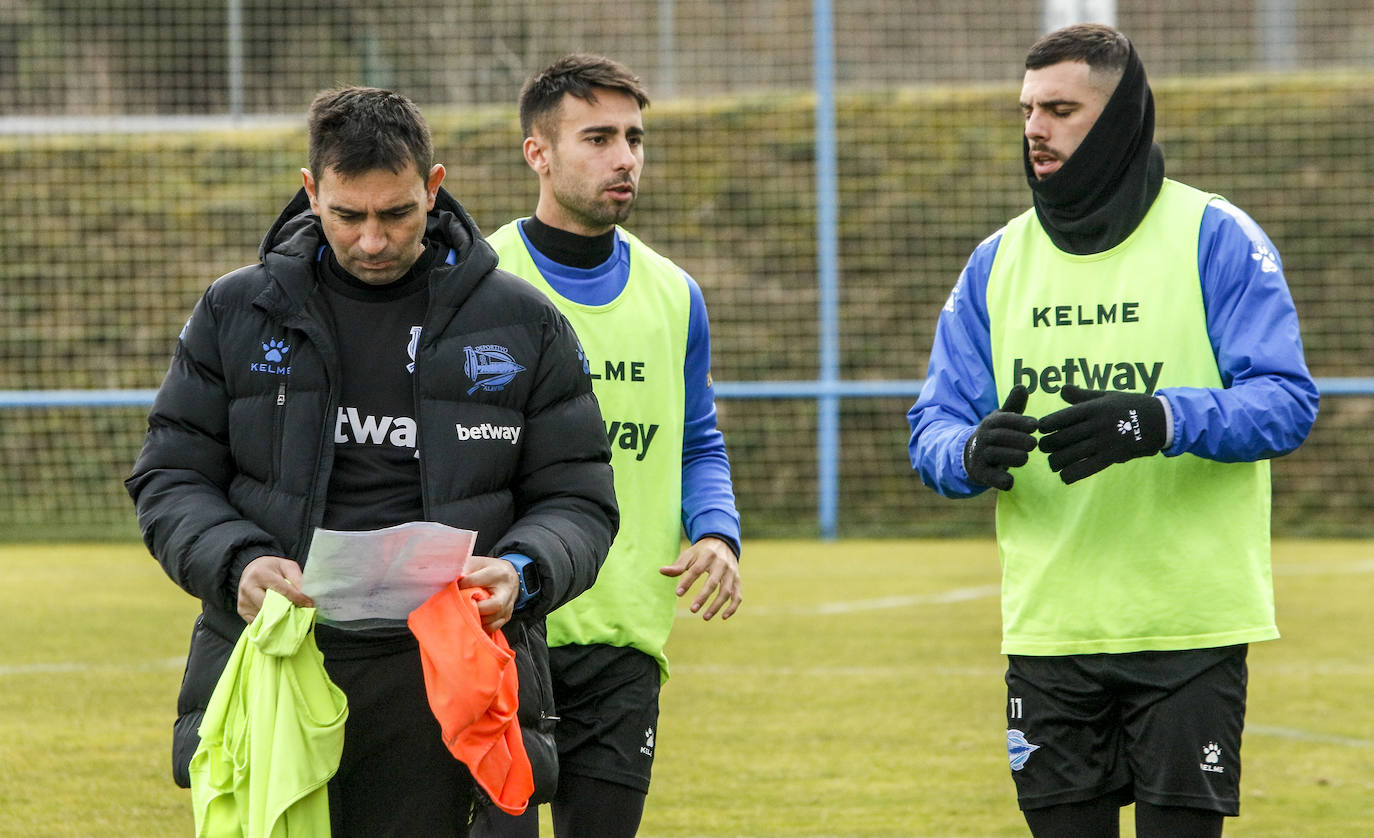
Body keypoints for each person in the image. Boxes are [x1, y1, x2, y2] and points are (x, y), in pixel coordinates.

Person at [126, 85, 618, 837]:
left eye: (397, 213)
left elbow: (579, 499)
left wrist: (521, 571)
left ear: (434, 186)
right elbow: (170, 476)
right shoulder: (235, 311)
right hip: (281, 662)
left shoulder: (523, 323)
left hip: (445, 677)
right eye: (347, 215)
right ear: (310, 191)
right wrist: (239, 564)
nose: (372, 241)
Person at [906, 24, 1318, 838]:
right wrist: (965, 451)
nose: (1035, 129)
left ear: (1121, 116)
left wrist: (1158, 418)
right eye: (1027, 109)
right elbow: (932, 424)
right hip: (1050, 632)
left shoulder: (1214, 235)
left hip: (1189, 629)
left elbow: (1286, 400)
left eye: (1061, 109)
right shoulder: (997, 261)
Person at [474, 54, 743, 838]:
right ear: (539, 153)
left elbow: (696, 440)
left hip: (626, 636)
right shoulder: (480, 282)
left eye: (633, 137)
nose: (624, 157)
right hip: (500, 631)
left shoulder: (674, 294)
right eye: (597, 137)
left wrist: (717, 532)